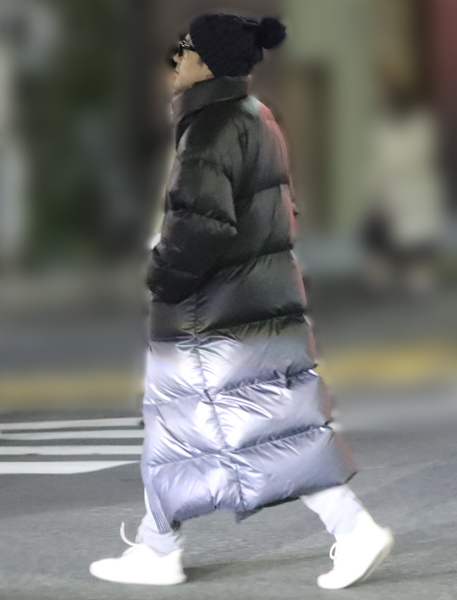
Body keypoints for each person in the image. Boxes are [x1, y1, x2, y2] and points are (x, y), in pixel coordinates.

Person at [90, 13, 393, 590]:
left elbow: (201, 228)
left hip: (210, 318)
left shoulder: (210, 128)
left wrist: (158, 273)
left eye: (183, 48)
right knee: (250, 430)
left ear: (205, 61)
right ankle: (159, 545)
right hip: (252, 304)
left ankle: (351, 530)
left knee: (221, 431)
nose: (174, 58)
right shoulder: (257, 116)